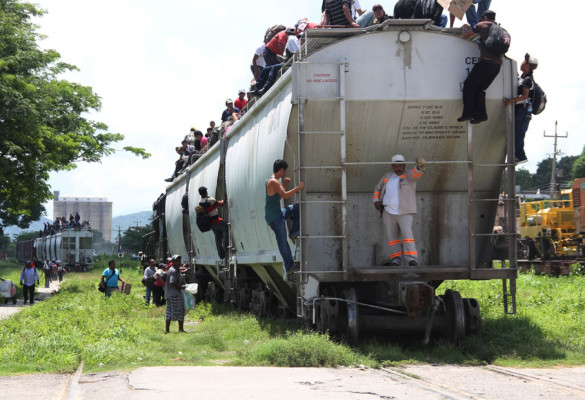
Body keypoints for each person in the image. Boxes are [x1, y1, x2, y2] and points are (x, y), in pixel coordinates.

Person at [373, 154, 426, 267]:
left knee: (407, 235)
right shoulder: (387, 176)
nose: (398, 168)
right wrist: (376, 201)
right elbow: (378, 189)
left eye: (400, 166)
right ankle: (396, 259)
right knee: (392, 237)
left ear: (404, 165)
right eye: (396, 166)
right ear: (392, 166)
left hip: (404, 211)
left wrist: (419, 167)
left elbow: (416, 174)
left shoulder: (409, 175)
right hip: (388, 211)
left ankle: (412, 259)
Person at [457, 10, 504, 124]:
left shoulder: (482, 25)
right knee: (479, 89)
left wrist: (464, 27)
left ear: (485, 18)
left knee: (468, 86)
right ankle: (481, 115)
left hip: (486, 63)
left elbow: (466, 35)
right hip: (497, 66)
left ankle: (468, 114)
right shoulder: (501, 30)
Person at [265, 159, 305, 279]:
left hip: (277, 213)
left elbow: (277, 198)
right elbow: (285, 195)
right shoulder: (274, 182)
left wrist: (285, 185)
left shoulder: (271, 181)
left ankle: (294, 232)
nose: (285, 173)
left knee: (296, 208)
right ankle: (289, 266)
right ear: (281, 170)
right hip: (275, 217)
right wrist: (300, 187)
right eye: (285, 171)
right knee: (282, 242)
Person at [505, 53, 538, 164]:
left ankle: (521, 156)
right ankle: (517, 155)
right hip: (520, 110)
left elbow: (524, 95)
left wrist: (510, 101)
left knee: (518, 133)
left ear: (528, 66)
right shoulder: (523, 78)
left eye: (524, 62)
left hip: (523, 111)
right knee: (516, 133)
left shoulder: (528, 79)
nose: (522, 62)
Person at [198, 186, 229, 261]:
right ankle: (227, 245)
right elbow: (221, 203)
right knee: (227, 228)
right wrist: (225, 198)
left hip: (211, 224)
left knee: (218, 237)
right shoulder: (210, 200)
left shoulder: (200, 202)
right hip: (217, 220)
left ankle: (221, 255)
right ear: (206, 192)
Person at [165, 255, 186, 334]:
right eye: (177, 261)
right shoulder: (174, 270)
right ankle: (180, 329)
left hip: (170, 294)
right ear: (173, 262)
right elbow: (172, 282)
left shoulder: (173, 269)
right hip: (175, 294)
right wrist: (180, 287)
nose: (179, 262)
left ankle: (167, 330)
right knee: (180, 310)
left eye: (179, 260)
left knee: (169, 311)